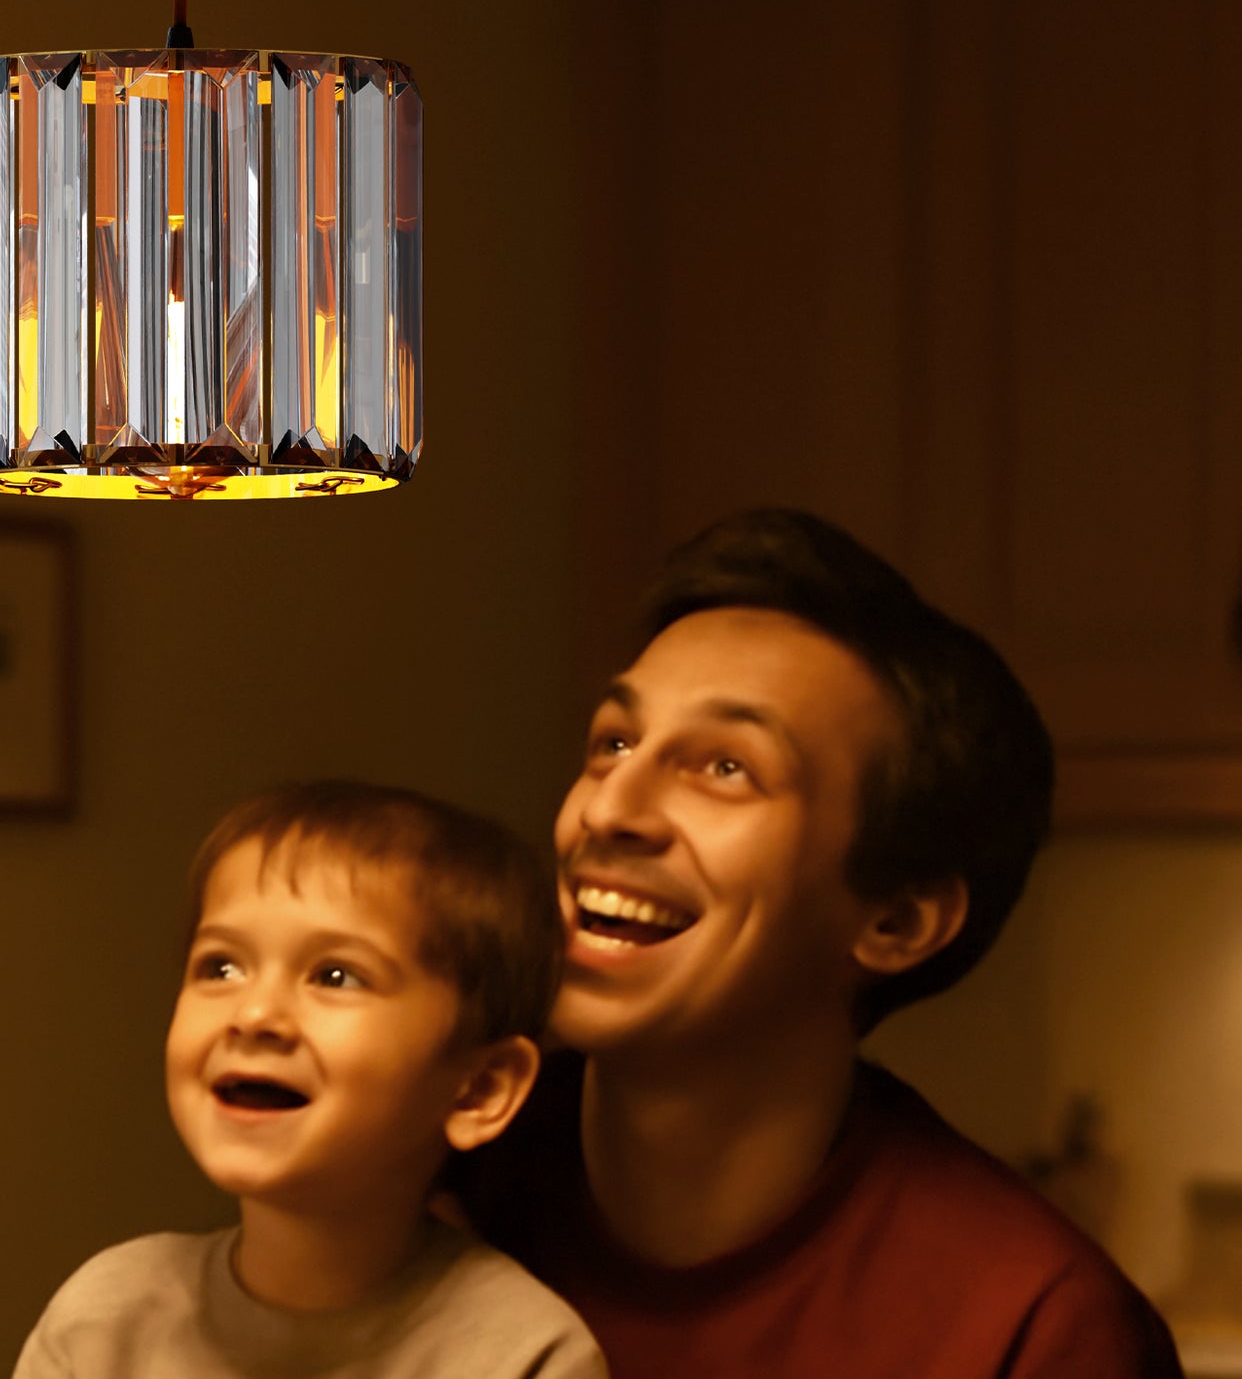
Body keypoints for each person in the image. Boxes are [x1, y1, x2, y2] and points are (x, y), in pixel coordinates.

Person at [462, 507, 1183, 1379]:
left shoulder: (1033, 1327)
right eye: (614, 742)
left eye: (726, 767)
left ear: (895, 922)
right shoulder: (417, 1178)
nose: (607, 809)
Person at [12, 781, 605, 1379]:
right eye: (222, 966)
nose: (254, 1014)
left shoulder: (524, 1355)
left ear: (480, 1089)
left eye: (336, 976)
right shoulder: (105, 1322)